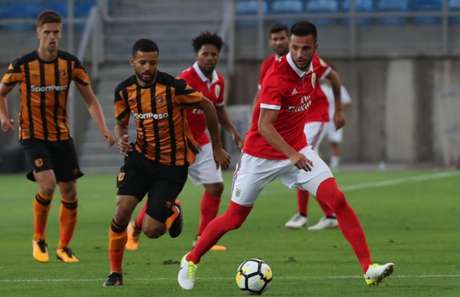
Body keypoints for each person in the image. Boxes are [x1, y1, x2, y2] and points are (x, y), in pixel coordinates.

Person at [177, 21, 394, 290]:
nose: (300, 53)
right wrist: (291, 155)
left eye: (306, 48)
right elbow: (263, 126)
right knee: (234, 218)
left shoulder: (315, 65)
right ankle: (191, 259)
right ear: (289, 46)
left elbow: (334, 77)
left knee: (337, 199)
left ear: (315, 47)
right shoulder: (276, 78)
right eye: (295, 48)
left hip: (298, 149)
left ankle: (368, 268)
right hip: (260, 156)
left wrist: (337, 110)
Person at [103, 38, 230, 287]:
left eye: (153, 62)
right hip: (140, 158)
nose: (148, 68)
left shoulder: (173, 87)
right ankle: (115, 273)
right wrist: (122, 139)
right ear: (133, 63)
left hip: (171, 166)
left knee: (153, 230)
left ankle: (173, 210)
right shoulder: (123, 90)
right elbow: (120, 122)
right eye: (143, 62)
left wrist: (216, 146)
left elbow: (208, 106)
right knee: (121, 211)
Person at [0, 10, 114, 264]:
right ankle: (39, 238)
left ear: (61, 34)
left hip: (61, 135)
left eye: (56, 33)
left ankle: (64, 247)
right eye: (47, 33)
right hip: (33, 135)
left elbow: (91, 100)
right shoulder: (22, 65)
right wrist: (4, 117)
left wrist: (104, 129)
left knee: (70, 192)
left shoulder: (70, 64)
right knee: (48, 185)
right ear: (38, 34)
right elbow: (1, 92)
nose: (52, 37)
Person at [125, 32, 242, 252]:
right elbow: (172, 111)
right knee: (165, 195)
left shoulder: (219, 81)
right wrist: (186, 139)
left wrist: (233, 132)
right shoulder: (184, 79)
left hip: (203, 142)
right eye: (204, 53)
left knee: (216, 187)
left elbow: (218, 109)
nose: (209, 57)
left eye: (213, 54)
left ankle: (202, 238)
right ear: (197, 55)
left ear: (218, 56)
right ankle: (136, 227)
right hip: (178, 143)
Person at [285, 75, 351, 231]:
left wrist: (339, 111)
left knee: (303, 163)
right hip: (305, 121)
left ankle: (309, 214)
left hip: (316, 120)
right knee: (306, 164)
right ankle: (327, 215)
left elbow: (334, 79)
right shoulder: (278, 66)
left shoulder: (309, 62)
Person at [326, 80, 352, 170]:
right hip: (322, 120)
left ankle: (334, 165)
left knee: (334, 142)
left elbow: (348, 102)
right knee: (314, 143)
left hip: (335, 120)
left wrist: (338, 111)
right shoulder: (323, 88)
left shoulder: (340, 88)